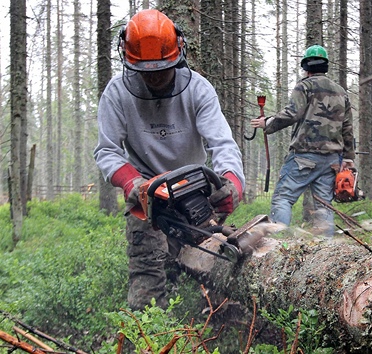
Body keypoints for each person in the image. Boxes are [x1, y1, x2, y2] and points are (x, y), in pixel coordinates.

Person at [93, 9, 245, 310]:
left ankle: (213, 318)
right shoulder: (117, 93)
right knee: (148, 273)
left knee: (210, 263)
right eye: (147, 72)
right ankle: (150, 330)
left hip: (193, 189)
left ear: (179, 55)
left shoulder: (199, 90)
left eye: (162, 68)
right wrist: (132, 184)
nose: (156, 76)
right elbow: (107, 150)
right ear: (130, 61)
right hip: (147, 190)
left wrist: (232, 183)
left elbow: (222, 144)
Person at [250, 44, 354, 237]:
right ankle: (326, 253)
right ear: (325, 66)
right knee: (324, 205)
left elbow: (292, 113)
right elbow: (347, 127)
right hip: (331, 160)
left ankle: (278, 246)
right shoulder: (341, 92)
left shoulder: (304, 86)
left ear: (306, 67)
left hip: (304, 157)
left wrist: (268, 123)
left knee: (283, 198)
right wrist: (348, 158)